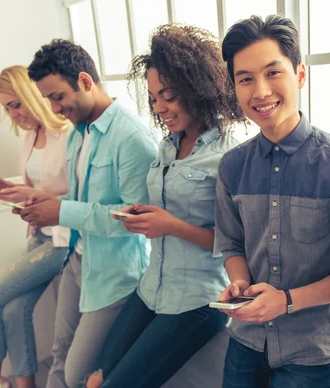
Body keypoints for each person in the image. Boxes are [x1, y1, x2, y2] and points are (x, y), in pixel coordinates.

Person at [83, 23, 247, 388]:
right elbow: (165, 208)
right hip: (150, 288)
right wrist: (144, 217)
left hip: (196, 303)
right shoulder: (166, 147)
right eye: (154, 98)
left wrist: (170, 225)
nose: (160, 107)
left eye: (168, 96)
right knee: (93, 381)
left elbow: (236, 243)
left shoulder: (229, 157)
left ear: (196, 88)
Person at [215, 15, 330, 388]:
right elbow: (232, 244)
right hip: (246, 339)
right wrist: (239, 284)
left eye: (273, 73)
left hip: (314, 353)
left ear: (300, 74)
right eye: (246, 79)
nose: (261, 91)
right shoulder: (232, 166)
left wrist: (285, 301)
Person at [21, 39, 158, 387]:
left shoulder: (132, 138)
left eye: (57, 97)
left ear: (84, 81)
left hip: (115, 276)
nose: (54, 109)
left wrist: (62, 212)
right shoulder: (78, 134)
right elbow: (85, 196)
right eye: (48, 99)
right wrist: (42, 200)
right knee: (58, 355)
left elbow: (135, 220)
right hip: (78, 260)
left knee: (77, 371)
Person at [0, 65, 72, 388]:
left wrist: (32, 194)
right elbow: (35, 190)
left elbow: (81, 195)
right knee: (13, 312)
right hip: (39, 236)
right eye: (6, 108)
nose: (13, 114)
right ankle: (25, 383)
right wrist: (9, 191)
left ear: (32, 95)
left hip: (64, 240)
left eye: (15, 104)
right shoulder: (30, 137)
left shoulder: (68, 133)